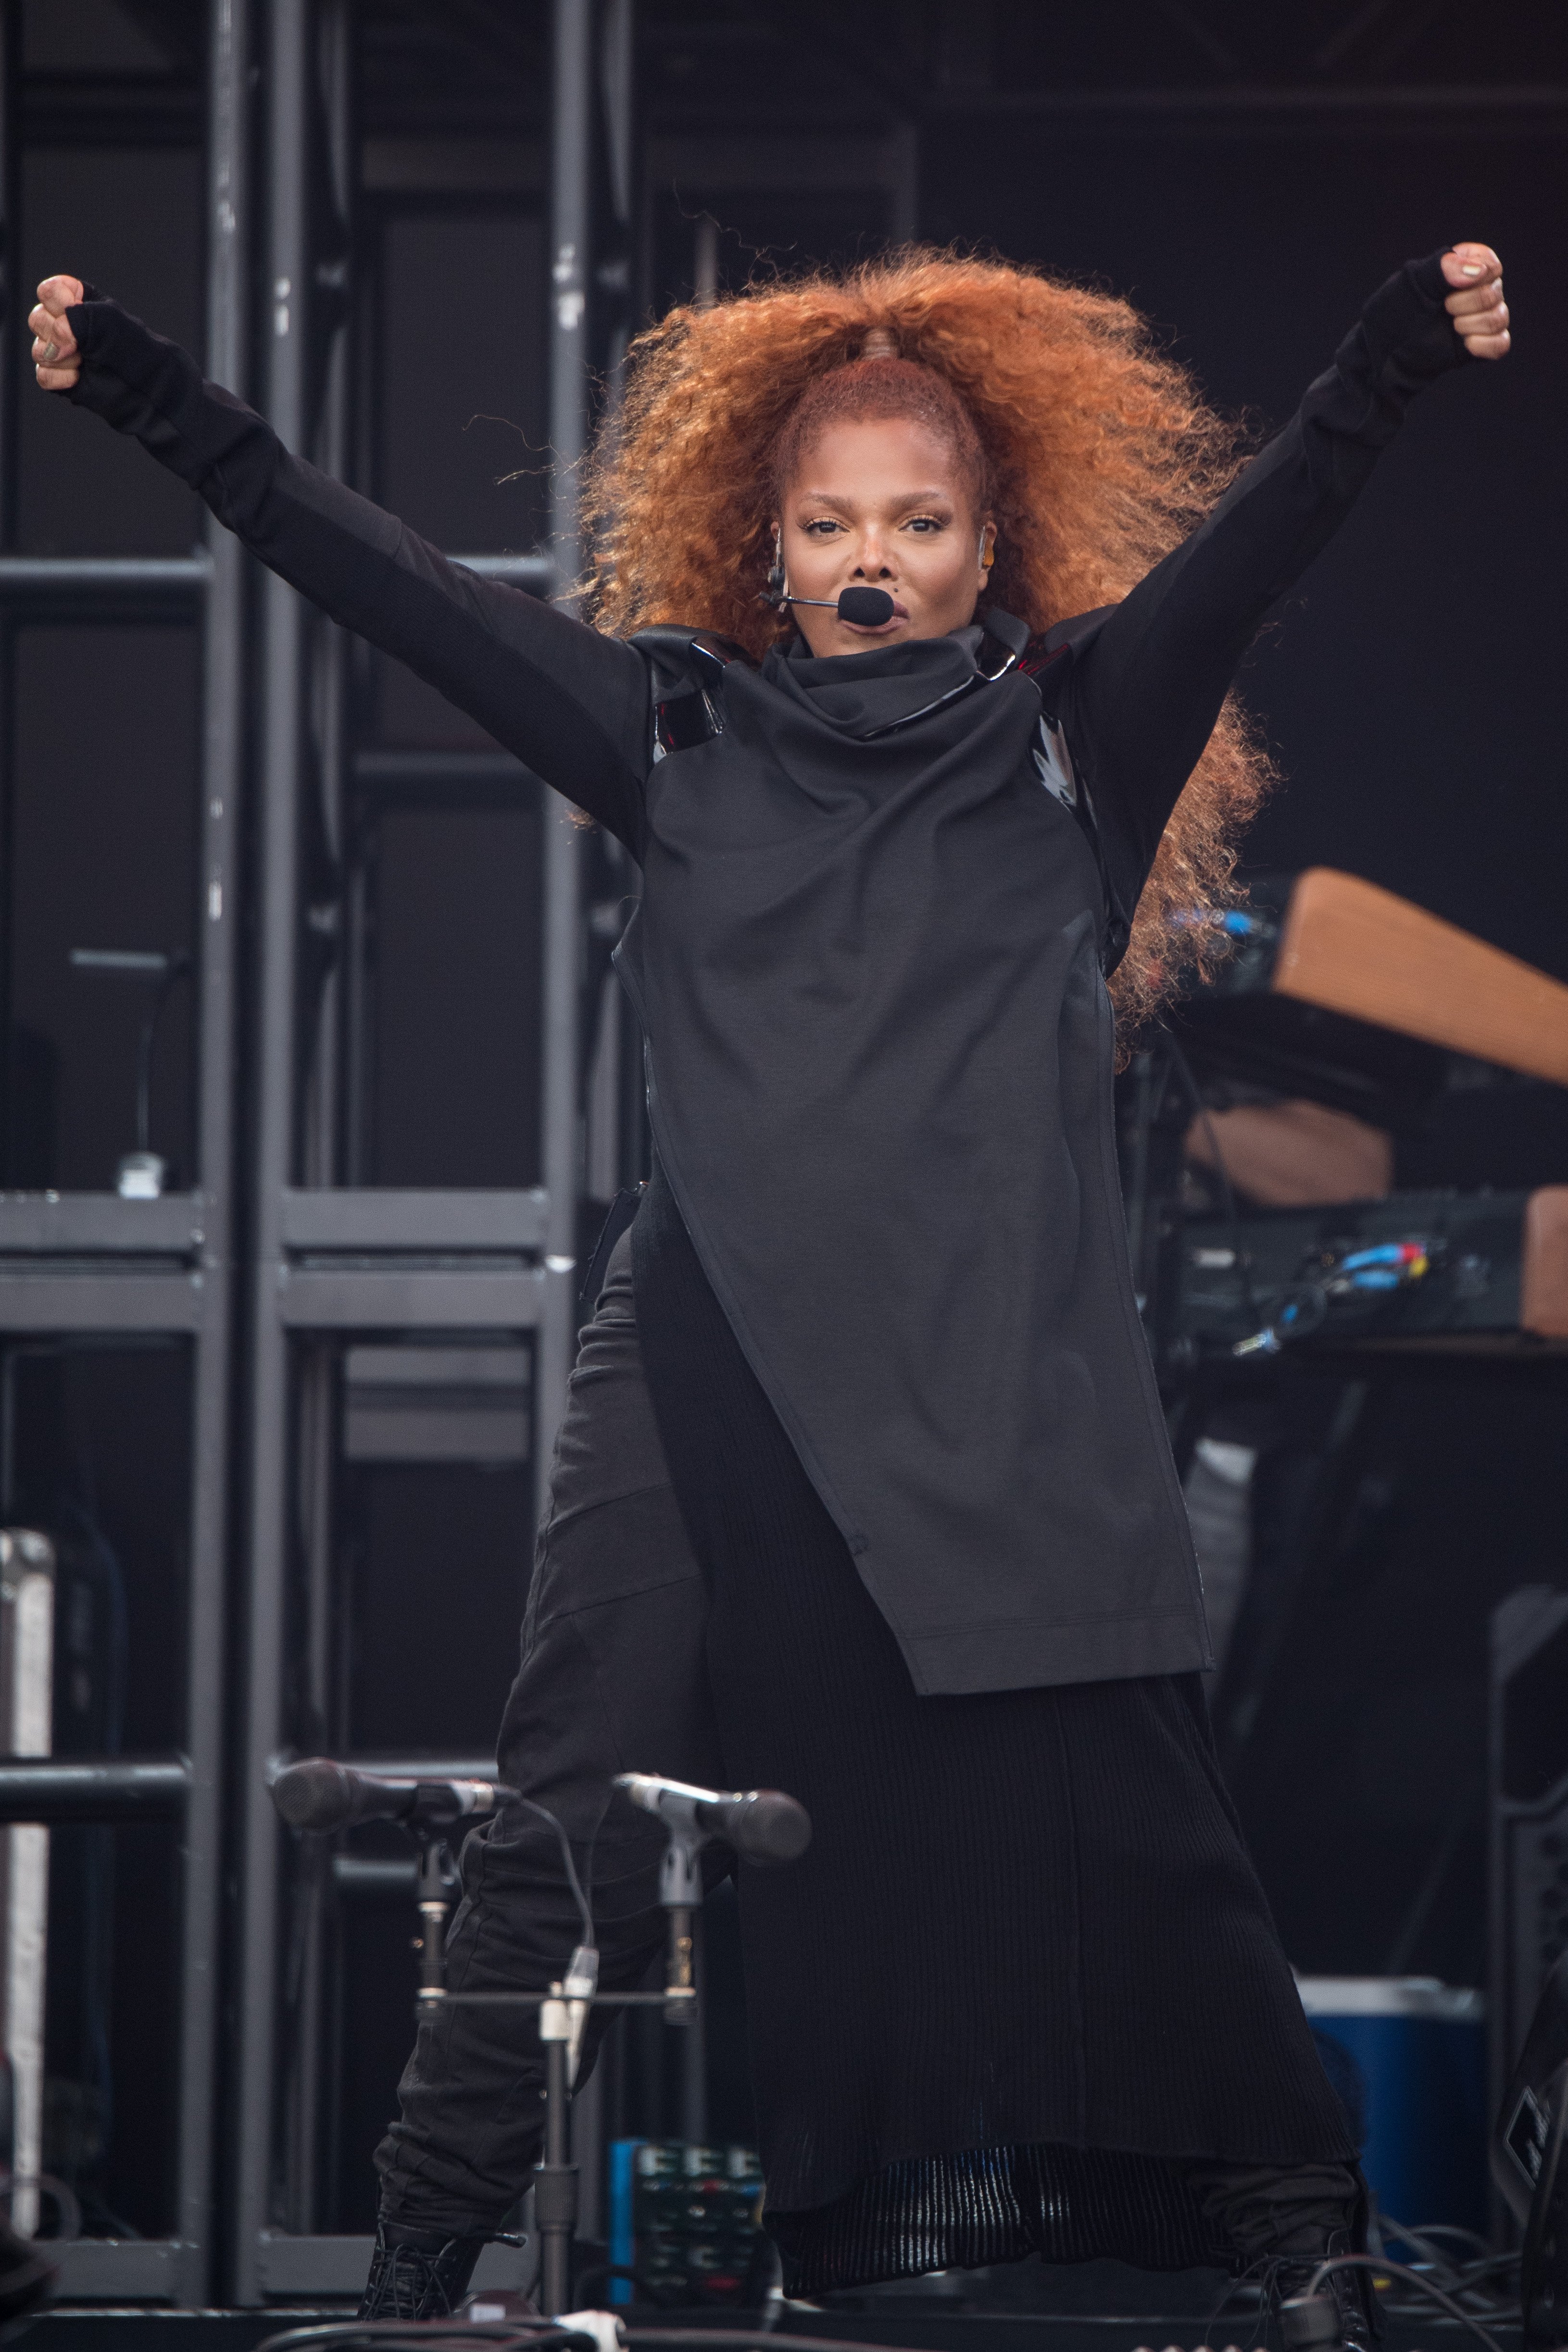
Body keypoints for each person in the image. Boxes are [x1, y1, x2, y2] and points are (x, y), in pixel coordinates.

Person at [32, 239, 1510, 2331]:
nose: (873, 558)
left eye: (918, 521)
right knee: (557, 1789)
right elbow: (389, 585)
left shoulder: (1076, 727)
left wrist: (1386, 355)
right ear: (769, 538)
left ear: (996, 539)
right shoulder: (675, 720)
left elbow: (1268, 535)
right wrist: (149, 396)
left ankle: (1307, 2245)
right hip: (709, 1340)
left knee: (1131, 1815)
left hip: (997, 1352)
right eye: (831, 525)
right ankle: (413, 2268)